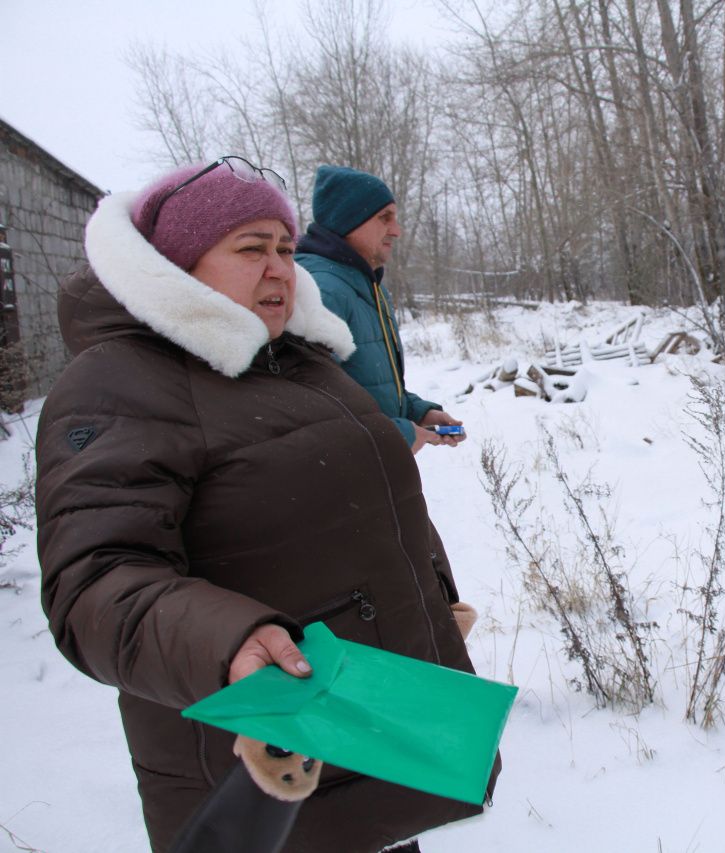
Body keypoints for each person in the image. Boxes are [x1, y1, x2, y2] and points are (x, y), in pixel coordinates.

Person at [35, 157, 496, 853]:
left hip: (361, 712)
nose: (281, 267)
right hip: (256, 753)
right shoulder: (121, 385)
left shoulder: (299, 359)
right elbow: (94, 580)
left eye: (285, 247)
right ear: (176, 265)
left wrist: (427, 599)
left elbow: (366, 495)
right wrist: (227, 641)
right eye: (252, 248)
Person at [296, 165, 464, 455]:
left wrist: (416, 412)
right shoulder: (323, 289)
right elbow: (310, 407)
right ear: (348, 220)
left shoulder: (368, 286)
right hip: (349, 474)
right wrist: (396, 432)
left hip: (375, 464)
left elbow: (366, 385)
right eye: (384, 218)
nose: (396, 231)